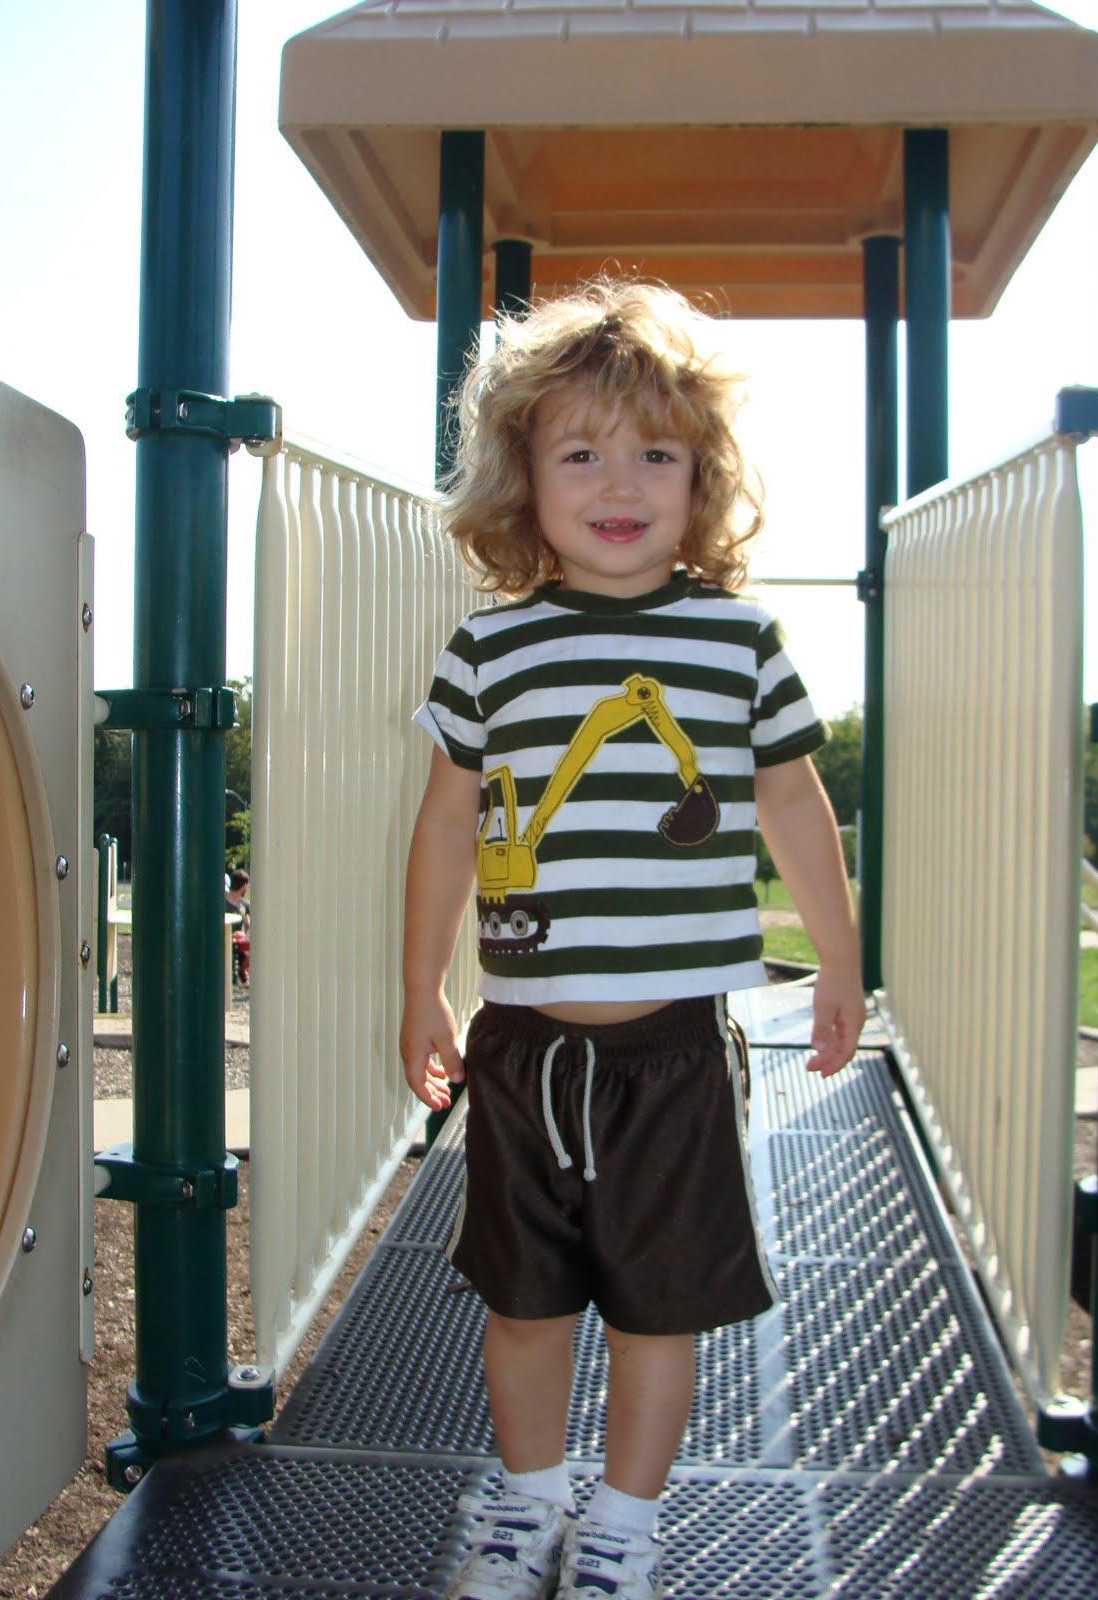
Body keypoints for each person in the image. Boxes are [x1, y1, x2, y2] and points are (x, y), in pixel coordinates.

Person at [400, 279, 865, 1600]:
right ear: (523, 478)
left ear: (703, 479)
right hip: (523, 1046)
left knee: (662, 1309)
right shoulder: (490, 649)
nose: (620, 484)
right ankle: (529, 1503)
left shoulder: (737, 641)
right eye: (581, 454)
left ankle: (623, 1527)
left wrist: (840, 959)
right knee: (524, 1301)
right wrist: (422, 985)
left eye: (657, 454)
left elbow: (792, 802)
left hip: (674, 1052)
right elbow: (446, 824)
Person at [225, 868, 251, 984]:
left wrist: (244, 935)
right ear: (244, 886)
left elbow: (248, 925)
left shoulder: (244, 905)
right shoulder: (222, 902)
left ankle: (241, 970)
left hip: (238, 943)